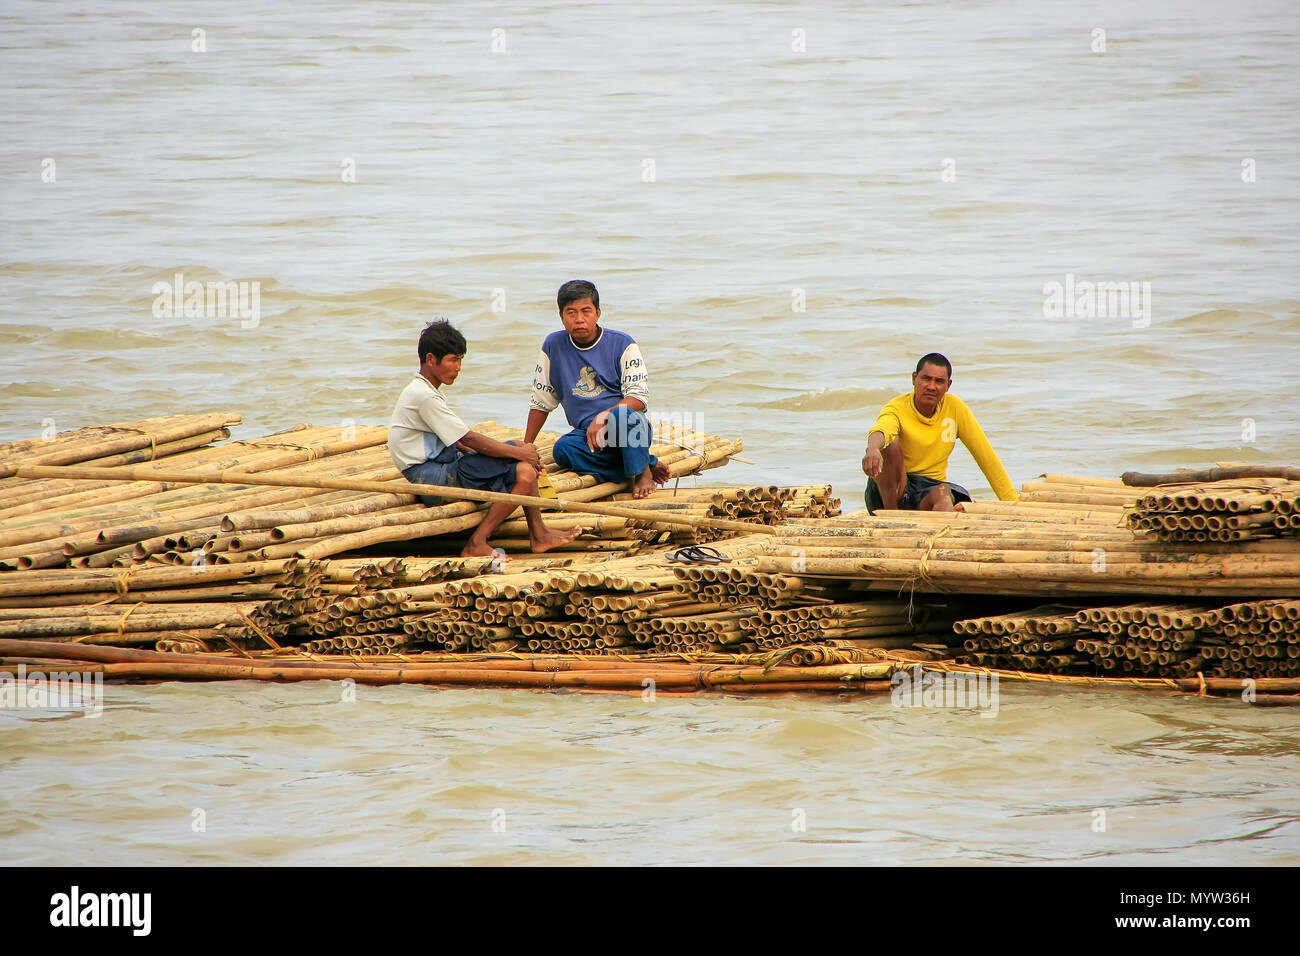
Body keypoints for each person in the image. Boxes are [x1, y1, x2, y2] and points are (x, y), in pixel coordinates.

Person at [388, 319, 582, 557]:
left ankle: (538, 534)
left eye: (460, 360)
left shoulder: (426, 392)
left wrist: (514, 453)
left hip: (442, 467)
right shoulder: (423, 396)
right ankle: (478, 542)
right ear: (431, 359)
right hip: (432, 478)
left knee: (523, 466)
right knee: (523, 463)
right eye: (453, 360)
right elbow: (468, 439)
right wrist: (517, 453)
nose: (458, 367)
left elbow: (459, 442)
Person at [524, 279, 672, 499]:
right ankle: (644, 463)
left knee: (623, 416)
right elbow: (541, 402)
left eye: (586, 311)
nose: (579, 319)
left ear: (598, 313)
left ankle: (642, 474)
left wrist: (604, 416)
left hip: (627, 428)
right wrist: (525, 447)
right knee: (563, 449)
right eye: (571, 312)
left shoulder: (623, 343)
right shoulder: (553, 346)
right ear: (561, 316)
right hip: (590, 438)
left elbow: (638, 398)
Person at [861, 353, 1019, 512]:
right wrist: (872, 449)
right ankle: (891, 516)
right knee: (889, 444)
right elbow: (882, 429)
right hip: (893, 490)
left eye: (939, 381)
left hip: (930, 488)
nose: (931, 386)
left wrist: (1013, 504)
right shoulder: (896, 407)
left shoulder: (955, 408)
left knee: (944, 495)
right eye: (926, 379)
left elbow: (986, 457)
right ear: (914, 379)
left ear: (948, 385)